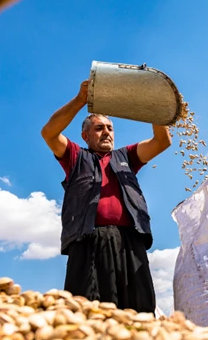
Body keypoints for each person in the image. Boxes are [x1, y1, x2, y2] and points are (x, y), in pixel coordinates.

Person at [40, 79, 172, 313]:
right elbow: (49, 133)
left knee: (138, 307)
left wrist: (157, 107)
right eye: (99, 128)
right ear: (85, 136)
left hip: (130, 240)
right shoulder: (76, 157)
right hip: (87, 240)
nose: (106, 133)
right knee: (87, 308)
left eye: (110, 128)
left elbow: (162, 142)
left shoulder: (127, 156)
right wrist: (81, 100)